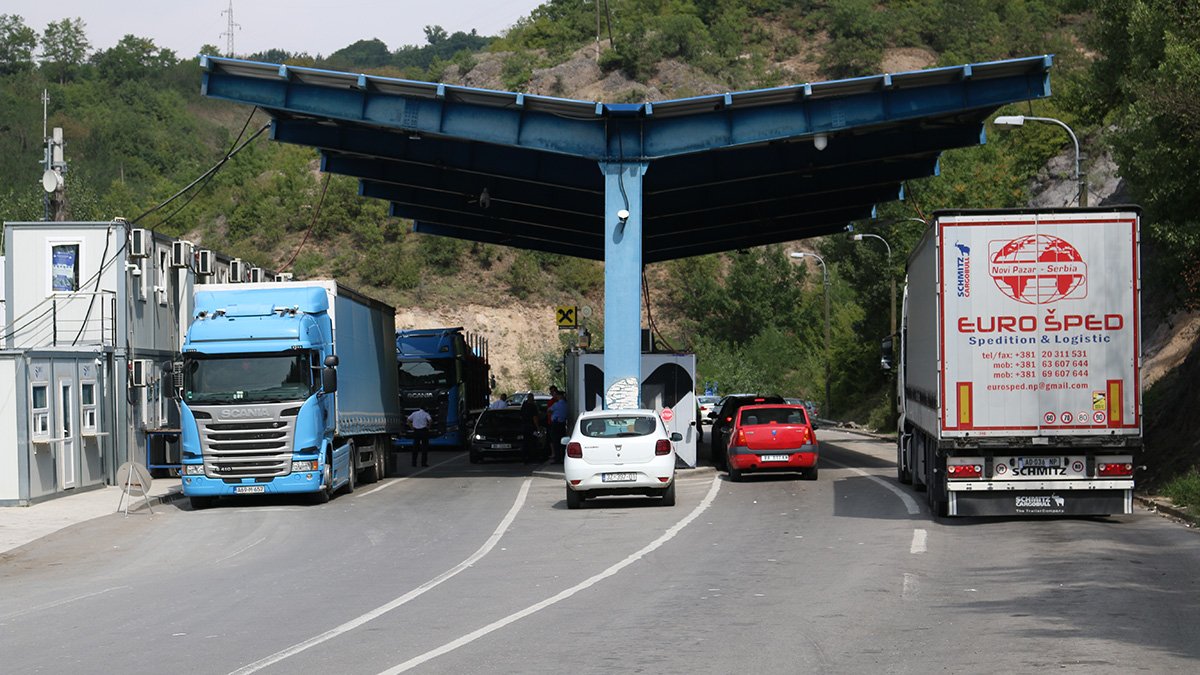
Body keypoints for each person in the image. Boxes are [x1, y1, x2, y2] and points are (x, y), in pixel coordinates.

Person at [519, 394, 542, 463]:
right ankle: (533, 458)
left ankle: (524, 458)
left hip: (524, 427)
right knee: (533, 443)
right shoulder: (533, 406)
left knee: (525, 442)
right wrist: (538, 428)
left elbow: (521, 416)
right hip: (531, 427)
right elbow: (535, 418)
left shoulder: (524, 406)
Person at [548, 387, 569, 463]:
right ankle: (563, 457)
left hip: (556, 424)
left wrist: (552, 414)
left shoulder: (556, 404)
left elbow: (549, 410)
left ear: (559, 396)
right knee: (562, 442)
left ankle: (557, 459)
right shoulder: (566, 404)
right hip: (562, 424)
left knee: (556, 442)